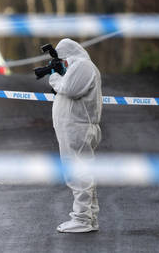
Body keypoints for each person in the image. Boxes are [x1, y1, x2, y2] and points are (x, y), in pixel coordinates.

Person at [48, 38, 103, 233]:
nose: (63, 64)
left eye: (63, 60)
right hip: (73, 128)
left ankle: (82, 218)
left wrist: (54, 77)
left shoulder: (82, 66)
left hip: (77, 128)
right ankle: (89, 217)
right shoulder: (79, 67)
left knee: (78, 172)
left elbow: (70, 90)